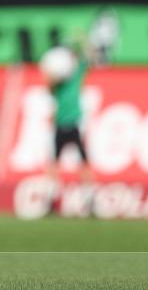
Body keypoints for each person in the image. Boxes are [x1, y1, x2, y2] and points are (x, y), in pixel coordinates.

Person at [39, 41, 95, 215]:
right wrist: (55, 76)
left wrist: (84, 46)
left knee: (84, 163)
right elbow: (47, 86)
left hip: (75, 123)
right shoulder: (57, 83)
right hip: (60, 124)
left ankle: (90, 200)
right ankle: (51, 199)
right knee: (53, 165)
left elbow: (89, 59)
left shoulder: (76, 72)